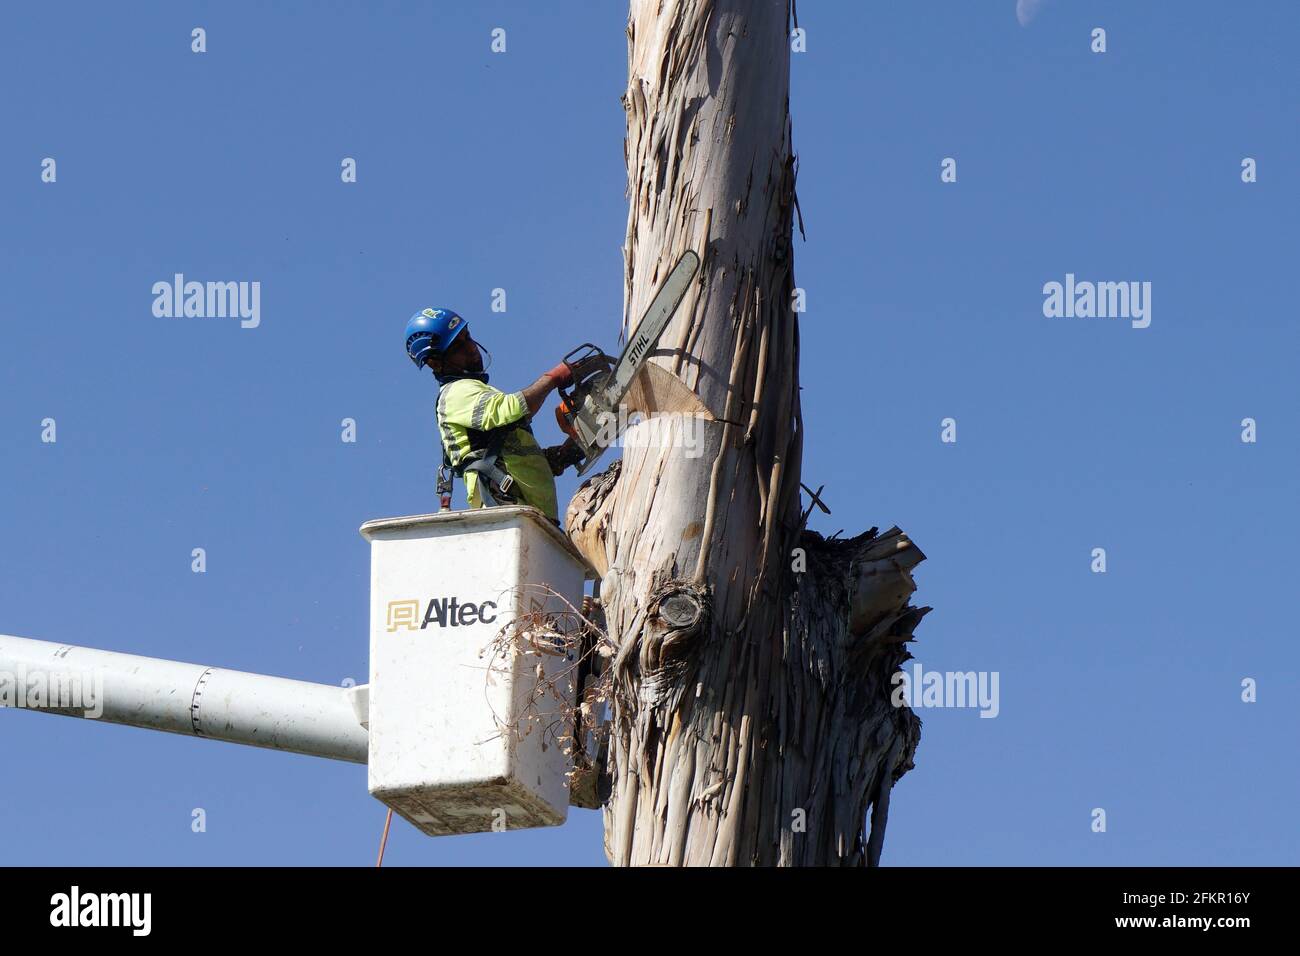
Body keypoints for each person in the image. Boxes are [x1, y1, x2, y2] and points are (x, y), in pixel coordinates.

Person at [404, 308, 601, 523]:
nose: (471, 348)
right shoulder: (456, 392)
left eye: (468, 337)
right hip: (507, 513)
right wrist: (553, 378)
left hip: (528, 517)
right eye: (459, 345)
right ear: (435, 362)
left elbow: (504, 452)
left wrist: (559, 457)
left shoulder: (474, 392)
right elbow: (511, 409)